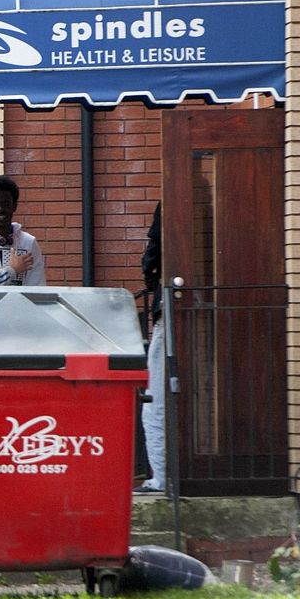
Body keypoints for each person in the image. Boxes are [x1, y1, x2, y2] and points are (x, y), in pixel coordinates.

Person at [138, 203, 166, 493]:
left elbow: (152, 253)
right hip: (202, 309)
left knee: (154, 399)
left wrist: (150, 278)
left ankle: (161, 477)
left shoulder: (169, 199)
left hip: (169, 309)